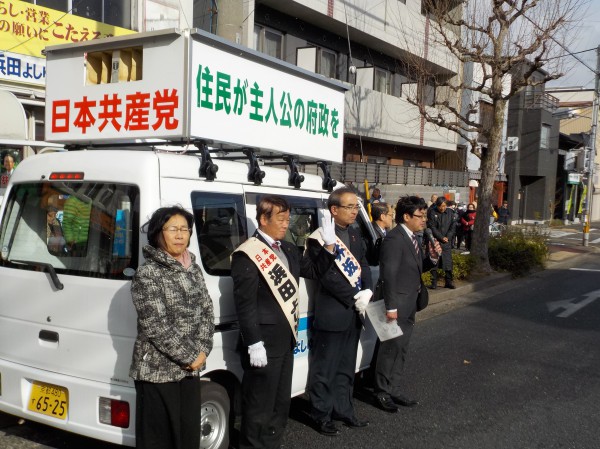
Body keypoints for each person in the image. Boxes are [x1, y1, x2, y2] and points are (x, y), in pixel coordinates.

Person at [231, 195, 334, 449]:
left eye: (288, 218)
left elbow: (313, 271)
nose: (286, 224)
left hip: (286, 341)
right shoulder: (248, 253)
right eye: (280, 218)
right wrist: (253, 342)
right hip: (263, 345)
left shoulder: (288, 248)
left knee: (280, 404)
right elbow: (245, 304)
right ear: (263, 219)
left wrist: (329, 246)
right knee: (258, 406)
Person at [129, 205, 214, 449]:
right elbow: (156, 325)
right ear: (158, 233)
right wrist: (190, 355)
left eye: (185, 229)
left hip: (190, 370)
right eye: (172, 229)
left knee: (187, 438)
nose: (180, 235)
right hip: (157, 373)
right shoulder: (148, 274)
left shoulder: (194, 268)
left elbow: (207, 311)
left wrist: (202, 351)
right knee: (159, 441)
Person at [306, 186, 373, 436]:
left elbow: (363, 265)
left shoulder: (355, 234)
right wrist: (354, 297)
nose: (355, 211)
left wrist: (367, 290)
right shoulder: (319, 237)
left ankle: (344, 409)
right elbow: (327, 276)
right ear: (334, 209)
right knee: (326, 368)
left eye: (357, 207)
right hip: (333, 311)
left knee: (347, 366)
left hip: (355, 312)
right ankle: (321, 414)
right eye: (350, 206)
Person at [373, 196, 440, 412]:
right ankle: (382, 391)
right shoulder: (394, 239)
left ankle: (393, 387)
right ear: (406, 216)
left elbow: (414, 269)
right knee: (390, 348)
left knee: (401, 348)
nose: (424, 221)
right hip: (397, 303)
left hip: (410, 301)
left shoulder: (413, 237)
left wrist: (432, 258)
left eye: (425, 216)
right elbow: (389, 274)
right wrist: (391, 307)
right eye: (420, 216)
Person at [427, 197, 456, 289]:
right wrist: (441, 237)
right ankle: (433, 282)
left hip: (447, 241)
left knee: (448, 262)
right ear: (437, 205)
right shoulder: (432, 212)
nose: (442, 208)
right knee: (434, 262)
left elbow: (453, 226)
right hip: (435, 240)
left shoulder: (450, 213)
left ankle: (448, 281)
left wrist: (448, 237)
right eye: (440, 206)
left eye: (444, 206)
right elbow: (432, 227)